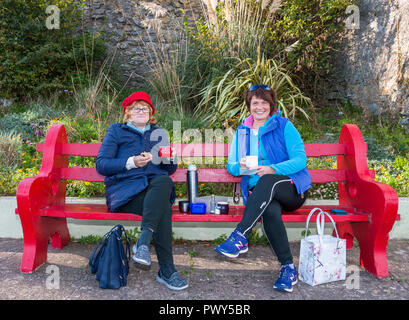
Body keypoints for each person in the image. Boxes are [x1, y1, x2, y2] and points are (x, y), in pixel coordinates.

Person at [214, 84, 312, 293]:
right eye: (255, 102)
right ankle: (288, 269)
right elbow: (231, 164)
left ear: (271, 105)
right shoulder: (242, 132)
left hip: (291, 188)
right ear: (249, 105)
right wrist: (240, 167)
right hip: (262, 196)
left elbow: (300, 159)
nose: (260, 106)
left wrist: (272, 168)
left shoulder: (284, 126)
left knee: (268, 179)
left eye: (264, 102)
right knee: (270, 210)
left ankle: (240, 235)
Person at [96, 91, 188, 291]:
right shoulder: (116, 131)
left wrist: (169, 157)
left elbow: (170, 170)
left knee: (163, 182)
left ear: (151, 113)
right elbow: (102, 165)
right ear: (127, 113)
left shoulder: (159, 133)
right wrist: (131, 162)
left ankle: (144, 242)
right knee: (162, 207)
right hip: (125, 193)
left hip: (154, 190)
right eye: (136, 108)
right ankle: (166, 270)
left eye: (145, 108)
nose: (141, 111)